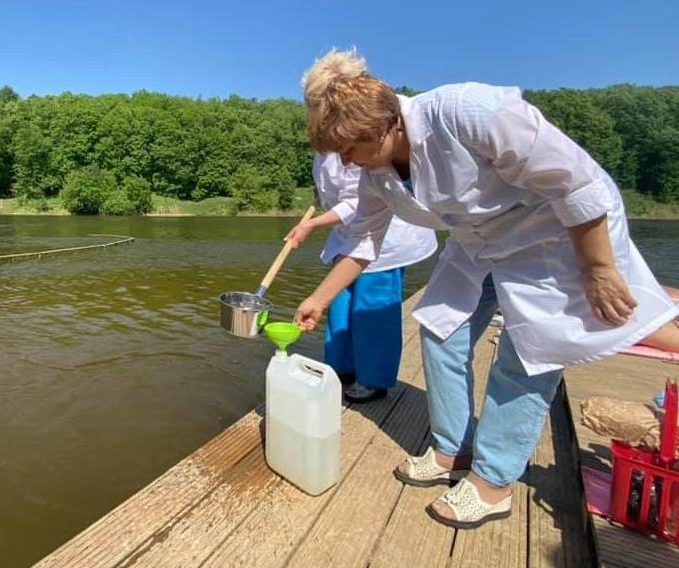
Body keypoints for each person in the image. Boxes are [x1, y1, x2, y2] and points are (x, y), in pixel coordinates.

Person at [291, 49, 679, 530]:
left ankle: (493, 481)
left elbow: (574, 181)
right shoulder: (375, 172)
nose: (347, 162)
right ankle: (455, 448)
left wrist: (598, 268)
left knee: (529, 354)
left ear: (385, 125)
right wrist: (320, 298)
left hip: (554, 233)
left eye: (351, 148)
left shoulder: (466, 111)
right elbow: (365, 239)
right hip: (478, 242)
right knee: (439, 329)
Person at [286, 152, 436, 402]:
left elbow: (355, 204)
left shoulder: (358, 148)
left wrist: (311, 224)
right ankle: (340, 369)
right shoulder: (322, 152)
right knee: (339, 304)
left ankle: (373, 380)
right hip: (347, 236)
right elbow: (332, 188)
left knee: (372, 309)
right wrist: (321, 195)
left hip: (386, 237)